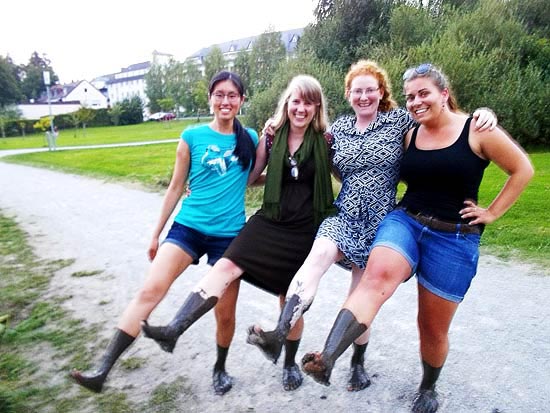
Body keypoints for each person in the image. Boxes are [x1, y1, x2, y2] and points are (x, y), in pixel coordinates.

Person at [246, 60, 497, 392]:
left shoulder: (400, 121)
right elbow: (304, 142)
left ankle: (357, 364)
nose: (363, 96)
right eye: (357, 91)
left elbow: (436, 113)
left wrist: (482, 112)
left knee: (361, 294)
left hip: (381, 224)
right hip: (344, 215)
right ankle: (280, 334)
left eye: (370, 90)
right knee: (316, 258)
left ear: (381, 93)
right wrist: (273, 128)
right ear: (348, 94)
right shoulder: (338, 129)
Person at [300, 63, 534, 413]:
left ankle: (428, 387)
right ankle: (328, 357)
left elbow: (523, 169)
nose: (415, 102)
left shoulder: (477, 130)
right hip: (405, 221)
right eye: (410, 96)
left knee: (431, 326)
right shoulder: (409, 131)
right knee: (374, 279)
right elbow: (355, 141)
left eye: (423, 93)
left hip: (454, 237)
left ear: (444, 93)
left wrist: (492, 212)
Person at [141, 74, 336, 393]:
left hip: (304, 227)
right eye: (295, 101)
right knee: (226, 265)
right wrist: (205, 186)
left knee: (289, 299)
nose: (301, 108)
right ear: (287, 103)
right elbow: (249, 175)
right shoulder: (271, 138)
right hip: (270, 219)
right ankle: (174, 329)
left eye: (308, 102)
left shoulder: (326, 141)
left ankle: (287, 362)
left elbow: (346, 174)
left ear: (317, 107)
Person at [69, 70, 258, 393]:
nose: (225, 101)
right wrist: (156, 233)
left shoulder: (251, 139)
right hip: (188, 229)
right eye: (219, 94)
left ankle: (220, 369)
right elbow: (174, 188)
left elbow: (252, 177)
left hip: (229, 236)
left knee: (225, 313)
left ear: (241, 100)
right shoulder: (191, 137)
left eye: (232, 95)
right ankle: (102, 370)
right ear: (210, 99)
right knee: (149, 291)